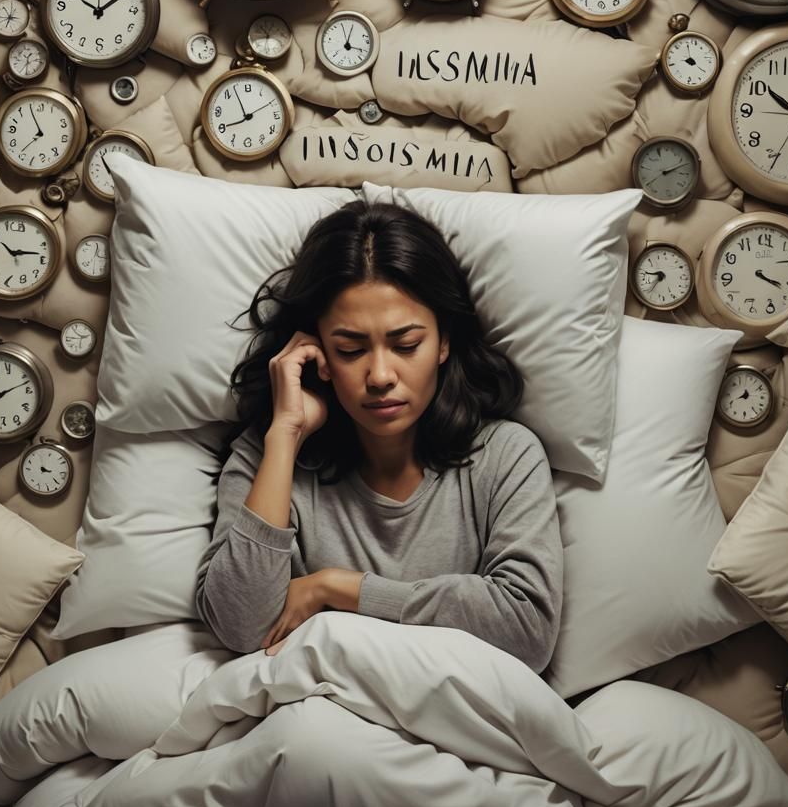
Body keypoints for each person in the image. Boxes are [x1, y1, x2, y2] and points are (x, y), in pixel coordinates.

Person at [194, 197, 564, 673]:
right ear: (317, 351)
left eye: (406, 344)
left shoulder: (506, 457)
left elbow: (527, 632)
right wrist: (285, 435)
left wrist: (338, 588)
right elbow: (240, 626)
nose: (381, 375)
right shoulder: (269, 458)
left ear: (444, 341)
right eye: (350, 349)